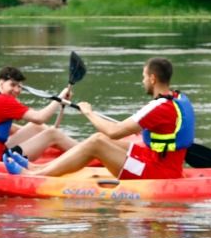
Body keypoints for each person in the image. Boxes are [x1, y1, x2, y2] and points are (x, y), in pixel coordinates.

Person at [11, 57, 195, 180]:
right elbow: (167, 127)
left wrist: (88, 112)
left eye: (144, 77)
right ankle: (37, 169)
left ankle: (38, 176)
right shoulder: (177, 98)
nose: (143, 81)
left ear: (153, 78)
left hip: (157, 172)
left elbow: (113, 131)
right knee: (102, 139)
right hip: (161, 161)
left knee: (98, 142)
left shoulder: (158, 107)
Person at [0, 66, 75, 163]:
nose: (16, 90)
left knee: (36, 127)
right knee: (52, 133)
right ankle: (86, 152)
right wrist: (60, 98)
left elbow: (9, 128)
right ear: (1, 83)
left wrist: (38, 138)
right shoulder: (4, 101)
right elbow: (40, 118)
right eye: (13, 85)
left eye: (19, 86)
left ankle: (71, 147)